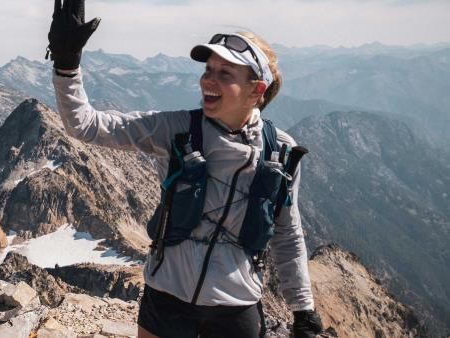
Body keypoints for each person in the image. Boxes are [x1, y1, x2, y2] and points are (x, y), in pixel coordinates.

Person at [46, 1, 325, 337]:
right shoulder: (177, 129)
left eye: (225, 73)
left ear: (257, 90)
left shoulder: (280, 151)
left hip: (236, 308)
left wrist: (303, 309)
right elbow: (87, 126)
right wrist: (67, 66)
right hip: (167, 299)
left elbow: (287, 234)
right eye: (208, 69)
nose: (209, 79)